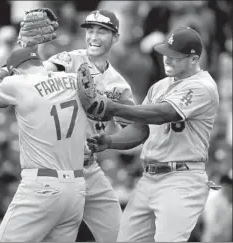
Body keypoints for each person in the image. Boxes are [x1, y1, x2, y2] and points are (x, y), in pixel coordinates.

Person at [87, 26, 220, 242]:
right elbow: (141, 128)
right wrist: (110, 141)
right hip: (149, 177)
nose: (167, 59)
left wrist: (113, 108)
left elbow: (162, 114)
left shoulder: (202, 86)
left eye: (175, 56)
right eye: (166, 53)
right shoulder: (159, 86)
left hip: (181, 178)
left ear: (194, 59)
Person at [41, 10, 135, 241]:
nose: (93, 36)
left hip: (89, 167)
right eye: (90, 30)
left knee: (121, 235)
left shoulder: (118, 85)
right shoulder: (70, 60)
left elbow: (134, 129)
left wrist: (111, 141)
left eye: (102, 31)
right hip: (56, 166)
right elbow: (43, 74)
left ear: (116, 37)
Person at [0, 47, 87, 242]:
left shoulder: (19, 82)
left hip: (42, 185)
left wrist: (3, 69)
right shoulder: (73, 79)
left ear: (17, 71)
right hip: (76, 189)